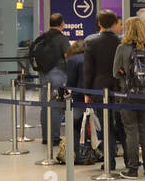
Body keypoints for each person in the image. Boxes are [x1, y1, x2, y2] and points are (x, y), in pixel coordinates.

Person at [112, 17, 145, 178]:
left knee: (131, 131)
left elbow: (115, 72)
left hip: (128, 94)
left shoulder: (122, 48)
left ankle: (132, 169)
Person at [81, 9, 124, 169]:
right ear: (114, 24)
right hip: (120, 87)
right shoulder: (121, 41)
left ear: (99, 23)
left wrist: (87, 92)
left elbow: (88, 70)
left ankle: (109, 160)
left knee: (106, 125)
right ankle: (130, 160)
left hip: (99, 88)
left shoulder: (91, 41)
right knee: (123, 124)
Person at [35, 13, 72, 149]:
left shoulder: (42, 38)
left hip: (43, 74)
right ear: (62, 24)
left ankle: (46, 137)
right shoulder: (62, 39)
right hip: (58, 73)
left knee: (45, 106)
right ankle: (55, 137)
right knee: (56, 106)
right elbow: (69, 56)